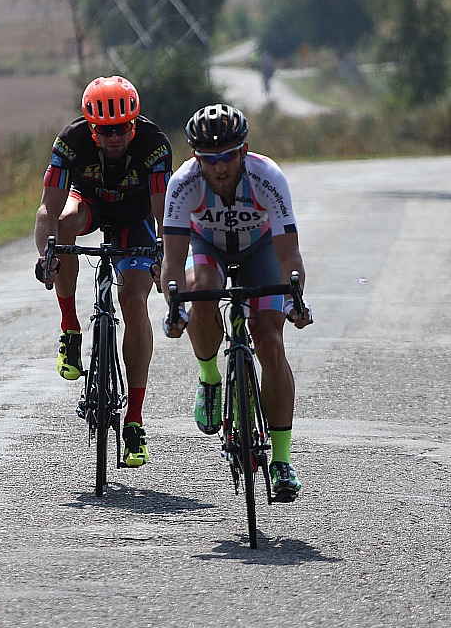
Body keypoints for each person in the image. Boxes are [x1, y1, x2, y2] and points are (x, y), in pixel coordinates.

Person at [160, 103, 313, 502]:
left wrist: (295, 298)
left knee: (270, 341)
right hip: (207, 247)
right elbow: (173, 261)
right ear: (197, 158)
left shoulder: (268, 177)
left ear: (244, 151)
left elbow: (288, 255)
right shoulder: (184, 183)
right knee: (201, 291)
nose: (221, 167)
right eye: (210, 160)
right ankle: (210, 376)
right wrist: (175, 307)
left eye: (229, 156)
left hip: (259, 250)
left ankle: (281, 460)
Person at [34, 75, 173, 468]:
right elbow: (48, 208)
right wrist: (47, 256)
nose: (114, 139)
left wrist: (164, 254)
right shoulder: (71, 142)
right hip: (89, 204)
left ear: (134, 123)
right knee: (63, 226)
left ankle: (134, 420)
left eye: (122, 130)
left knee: (133, 302)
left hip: (137, 218)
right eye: (105, 132)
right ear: (90, 128)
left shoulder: (154, 145)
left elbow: (164, 211)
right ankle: (70, 328)